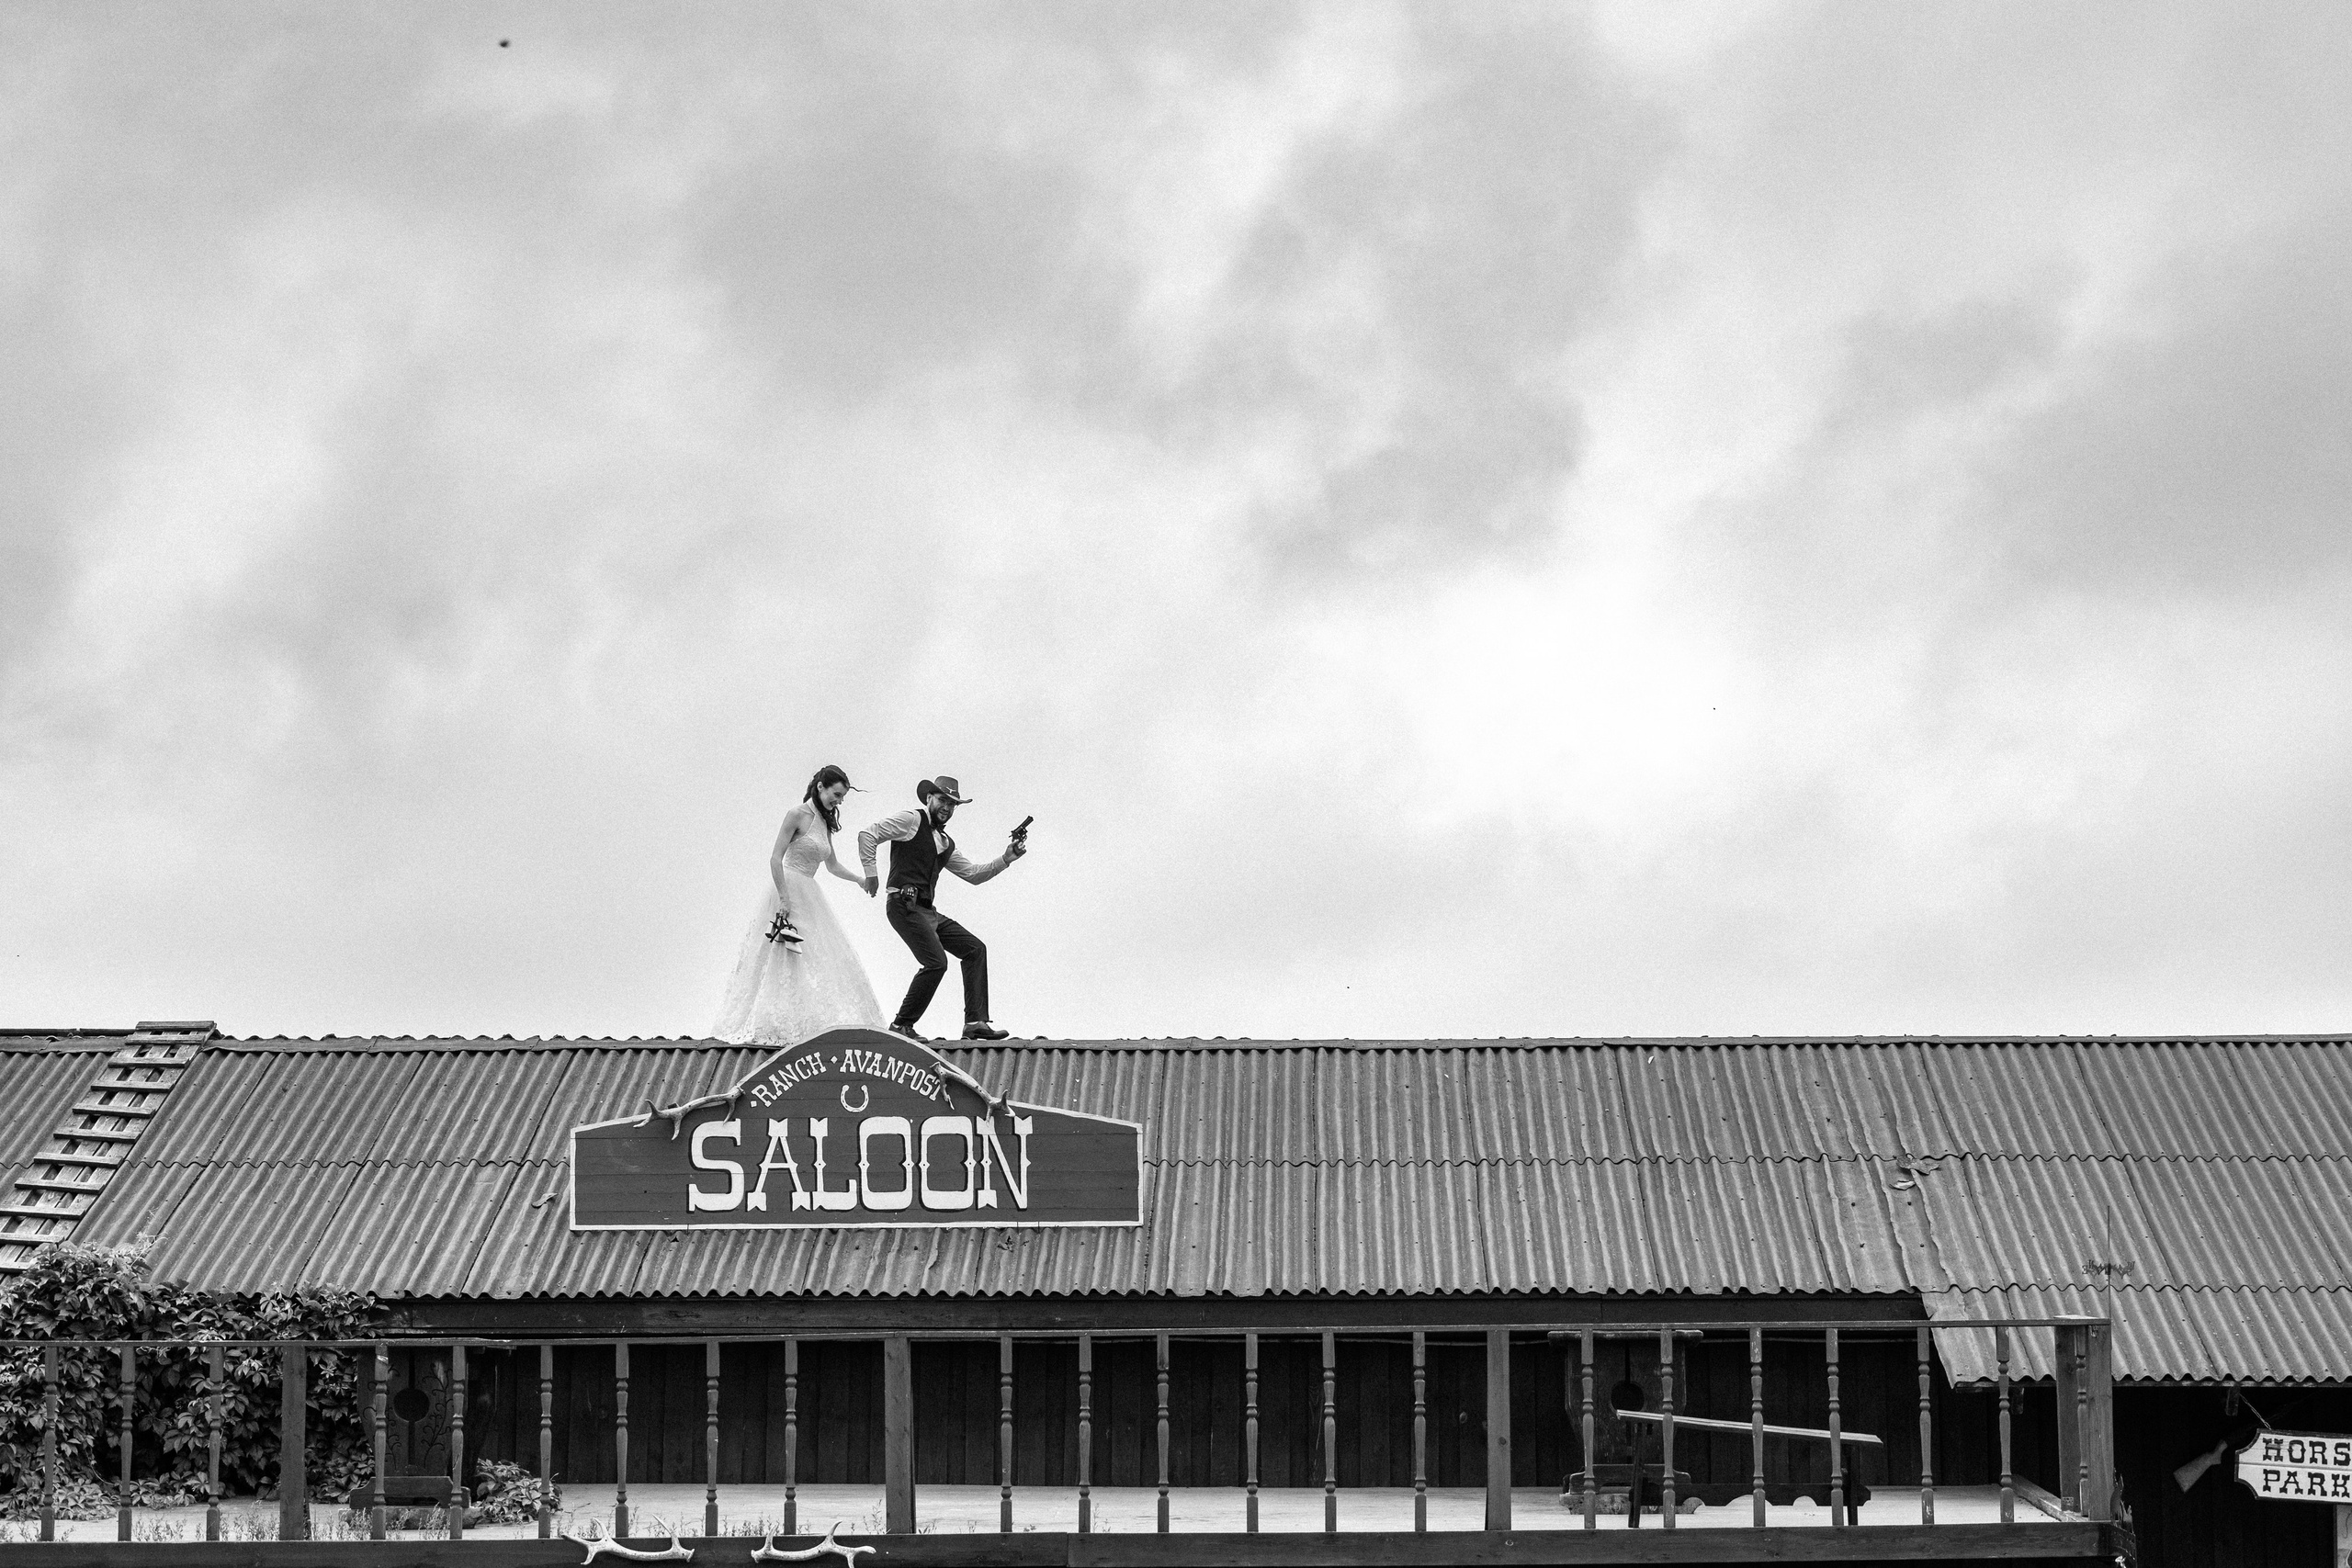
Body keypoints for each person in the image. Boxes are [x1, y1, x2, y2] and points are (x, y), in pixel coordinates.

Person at [710, 765, 887, 1044]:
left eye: (841, 798)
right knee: (786, 954)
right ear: (821, 787)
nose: (838, 801)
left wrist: (859, 880)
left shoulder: (824, 822)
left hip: (810, 890)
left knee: (816, 956)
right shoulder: (797, 815)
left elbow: (832, 865)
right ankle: (775, 1023)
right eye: (836, 795)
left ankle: (808, 1024)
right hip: (789, 888)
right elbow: (775, 858)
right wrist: (783, 898)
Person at [857, 775, 1027, 1041]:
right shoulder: (912, 820)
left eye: (952, 804)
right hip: (903, 904)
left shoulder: (946, 843)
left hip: (927, 911)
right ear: (929, 799)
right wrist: (871, 873)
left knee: (974, 949)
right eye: (942, 801)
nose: (947, 807)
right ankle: (902, 1025)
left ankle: (975, 1022)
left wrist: (1005, 859)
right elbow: (869, 834)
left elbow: (972, 874)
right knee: (936, 963)